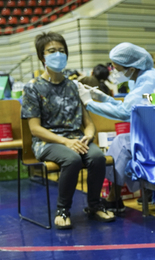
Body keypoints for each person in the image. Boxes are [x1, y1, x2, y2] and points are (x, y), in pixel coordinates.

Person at [21, 32, 115, 229]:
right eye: (52, 51)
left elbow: (87, 123)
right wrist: (66, 142)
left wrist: (88, 136)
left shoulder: (73, 86)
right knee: (71, 159)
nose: (58, 54)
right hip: (48, 142)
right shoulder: (33, 89)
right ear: (42, 57)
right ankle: (63, 209)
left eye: (61, 51)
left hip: (76, 139)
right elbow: (35, 129)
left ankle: (94, 205)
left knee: (97, 157)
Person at [78, 42, 155, 214]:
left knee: (121, 144)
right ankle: (114, 197)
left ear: (132, 66)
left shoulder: (149, 80)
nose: (115, 72)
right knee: (120, 142)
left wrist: (89, 103)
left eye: (118, 68)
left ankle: (113, 198)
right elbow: (130, 106)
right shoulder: (141, 78)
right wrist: (103, 98)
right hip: (153, 132)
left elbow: (124, 113)